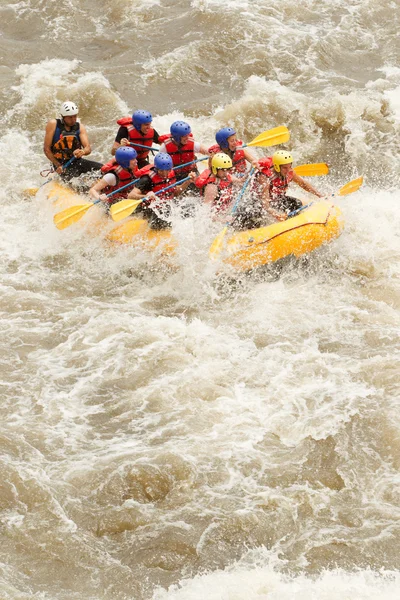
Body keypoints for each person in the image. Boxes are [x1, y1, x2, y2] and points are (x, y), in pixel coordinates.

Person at [127, 153, 196, 229]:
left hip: (168, 206)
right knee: (163, 216)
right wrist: (146, 196)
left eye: (167, 170)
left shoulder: (171, 173)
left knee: (191, 207)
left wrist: (187, 182)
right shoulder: (147, 179)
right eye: (161, 171)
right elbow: (130, 195)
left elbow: (175, 192)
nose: (165, 174)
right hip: (152, 210)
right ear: (156, 168)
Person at [254, 150, 324, 221]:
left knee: (296, 203)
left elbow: (303, 184)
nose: (288, 170)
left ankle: (291, 223)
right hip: (257, 203)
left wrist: (320, 195)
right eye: (285, 168)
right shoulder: (265, 178)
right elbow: (265, 205)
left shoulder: (290, 172)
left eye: (290, 166)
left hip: (276, 199)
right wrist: (276, 214)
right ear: (277, 167)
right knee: (255, 215)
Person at [43, 101, 102, 180]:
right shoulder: (53, 124)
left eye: (75, 116)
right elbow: (47, 149)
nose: (73, 119)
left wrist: (83, 151)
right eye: (70, 117)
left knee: (103, 169)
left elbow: (88, 148)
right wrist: (58, 165)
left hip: (76, 162)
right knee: (74, 184)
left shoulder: (80, 127)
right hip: (61, 164)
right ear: (63, 116)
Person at [197, 153, 243, 217]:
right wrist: (222, 220)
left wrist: (253, 167)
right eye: (223, 170)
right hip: (217, 217)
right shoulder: (212, 187)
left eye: (228, 169)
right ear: (215, 169)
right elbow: (206, 214)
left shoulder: (225, 176)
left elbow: (241, 182)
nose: (226, 172)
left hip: (226, 210)